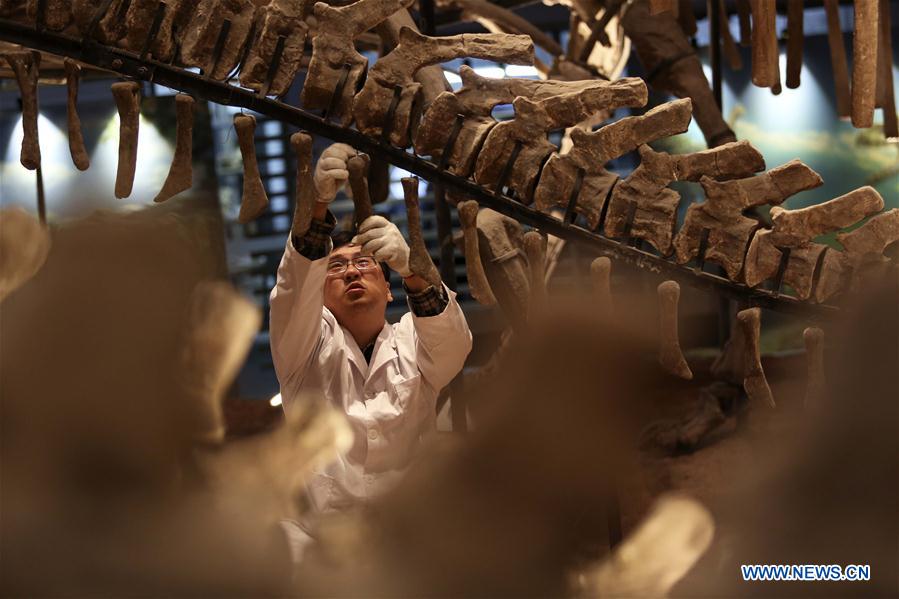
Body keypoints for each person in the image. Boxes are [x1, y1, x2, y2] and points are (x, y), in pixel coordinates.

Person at [269, 142, 472, 559]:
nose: (351, 273)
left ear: (388, 288)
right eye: (337, 268)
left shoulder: (412, 338)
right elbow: (293, 292)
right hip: (319, 547)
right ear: (320, 298)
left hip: (411, 541)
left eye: (365, 264)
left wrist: (411, 269)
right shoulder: (303, 347)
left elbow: (453, 346)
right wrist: (318, 203)